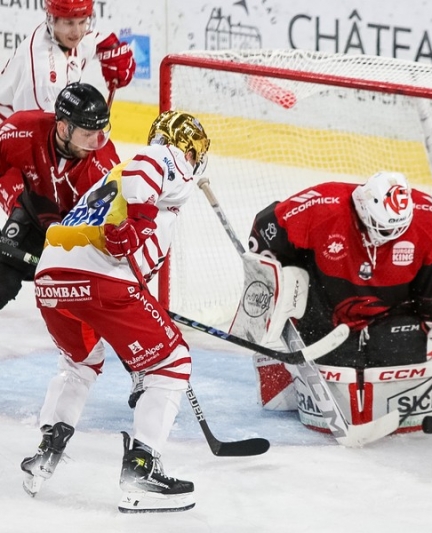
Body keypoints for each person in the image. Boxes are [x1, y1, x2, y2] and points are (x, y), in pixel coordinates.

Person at [21, 110, 211, 513]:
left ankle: (47, 449)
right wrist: (140, 224)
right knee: (171, 361)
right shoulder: (165, 157)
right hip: (100, 278)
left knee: (80, 362)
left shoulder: (109, 180)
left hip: (54, 280)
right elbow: (147, 167)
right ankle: (141, 473)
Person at [247, 172, 432, 432]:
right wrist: (272, 290)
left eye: (398, 228)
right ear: (363, 208)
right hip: (325, 304)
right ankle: (281, 362)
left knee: (397, 355)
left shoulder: (426, 218)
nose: (389, 236)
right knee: (331, 359)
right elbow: (263, 229)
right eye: (381, 227)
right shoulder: (319, 206)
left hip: (392, 313)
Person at [0, 0, 135, 214]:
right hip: (9, 140)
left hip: (29, 123)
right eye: (69, 23)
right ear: (52, 19)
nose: (77, 32)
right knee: (33, 209)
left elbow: (96, 39)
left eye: (83, 21)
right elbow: (42, 143)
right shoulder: (45, 78)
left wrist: (111, 49)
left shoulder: (64, 36)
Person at [0, 82, 119, 310]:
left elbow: (111, 230)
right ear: (64, 129)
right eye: (88, 134)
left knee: (77, 307)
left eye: (101, 132)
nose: (96, 143)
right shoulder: (21, 130)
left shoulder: (105, 168)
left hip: (77, 238)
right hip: (33, 217)